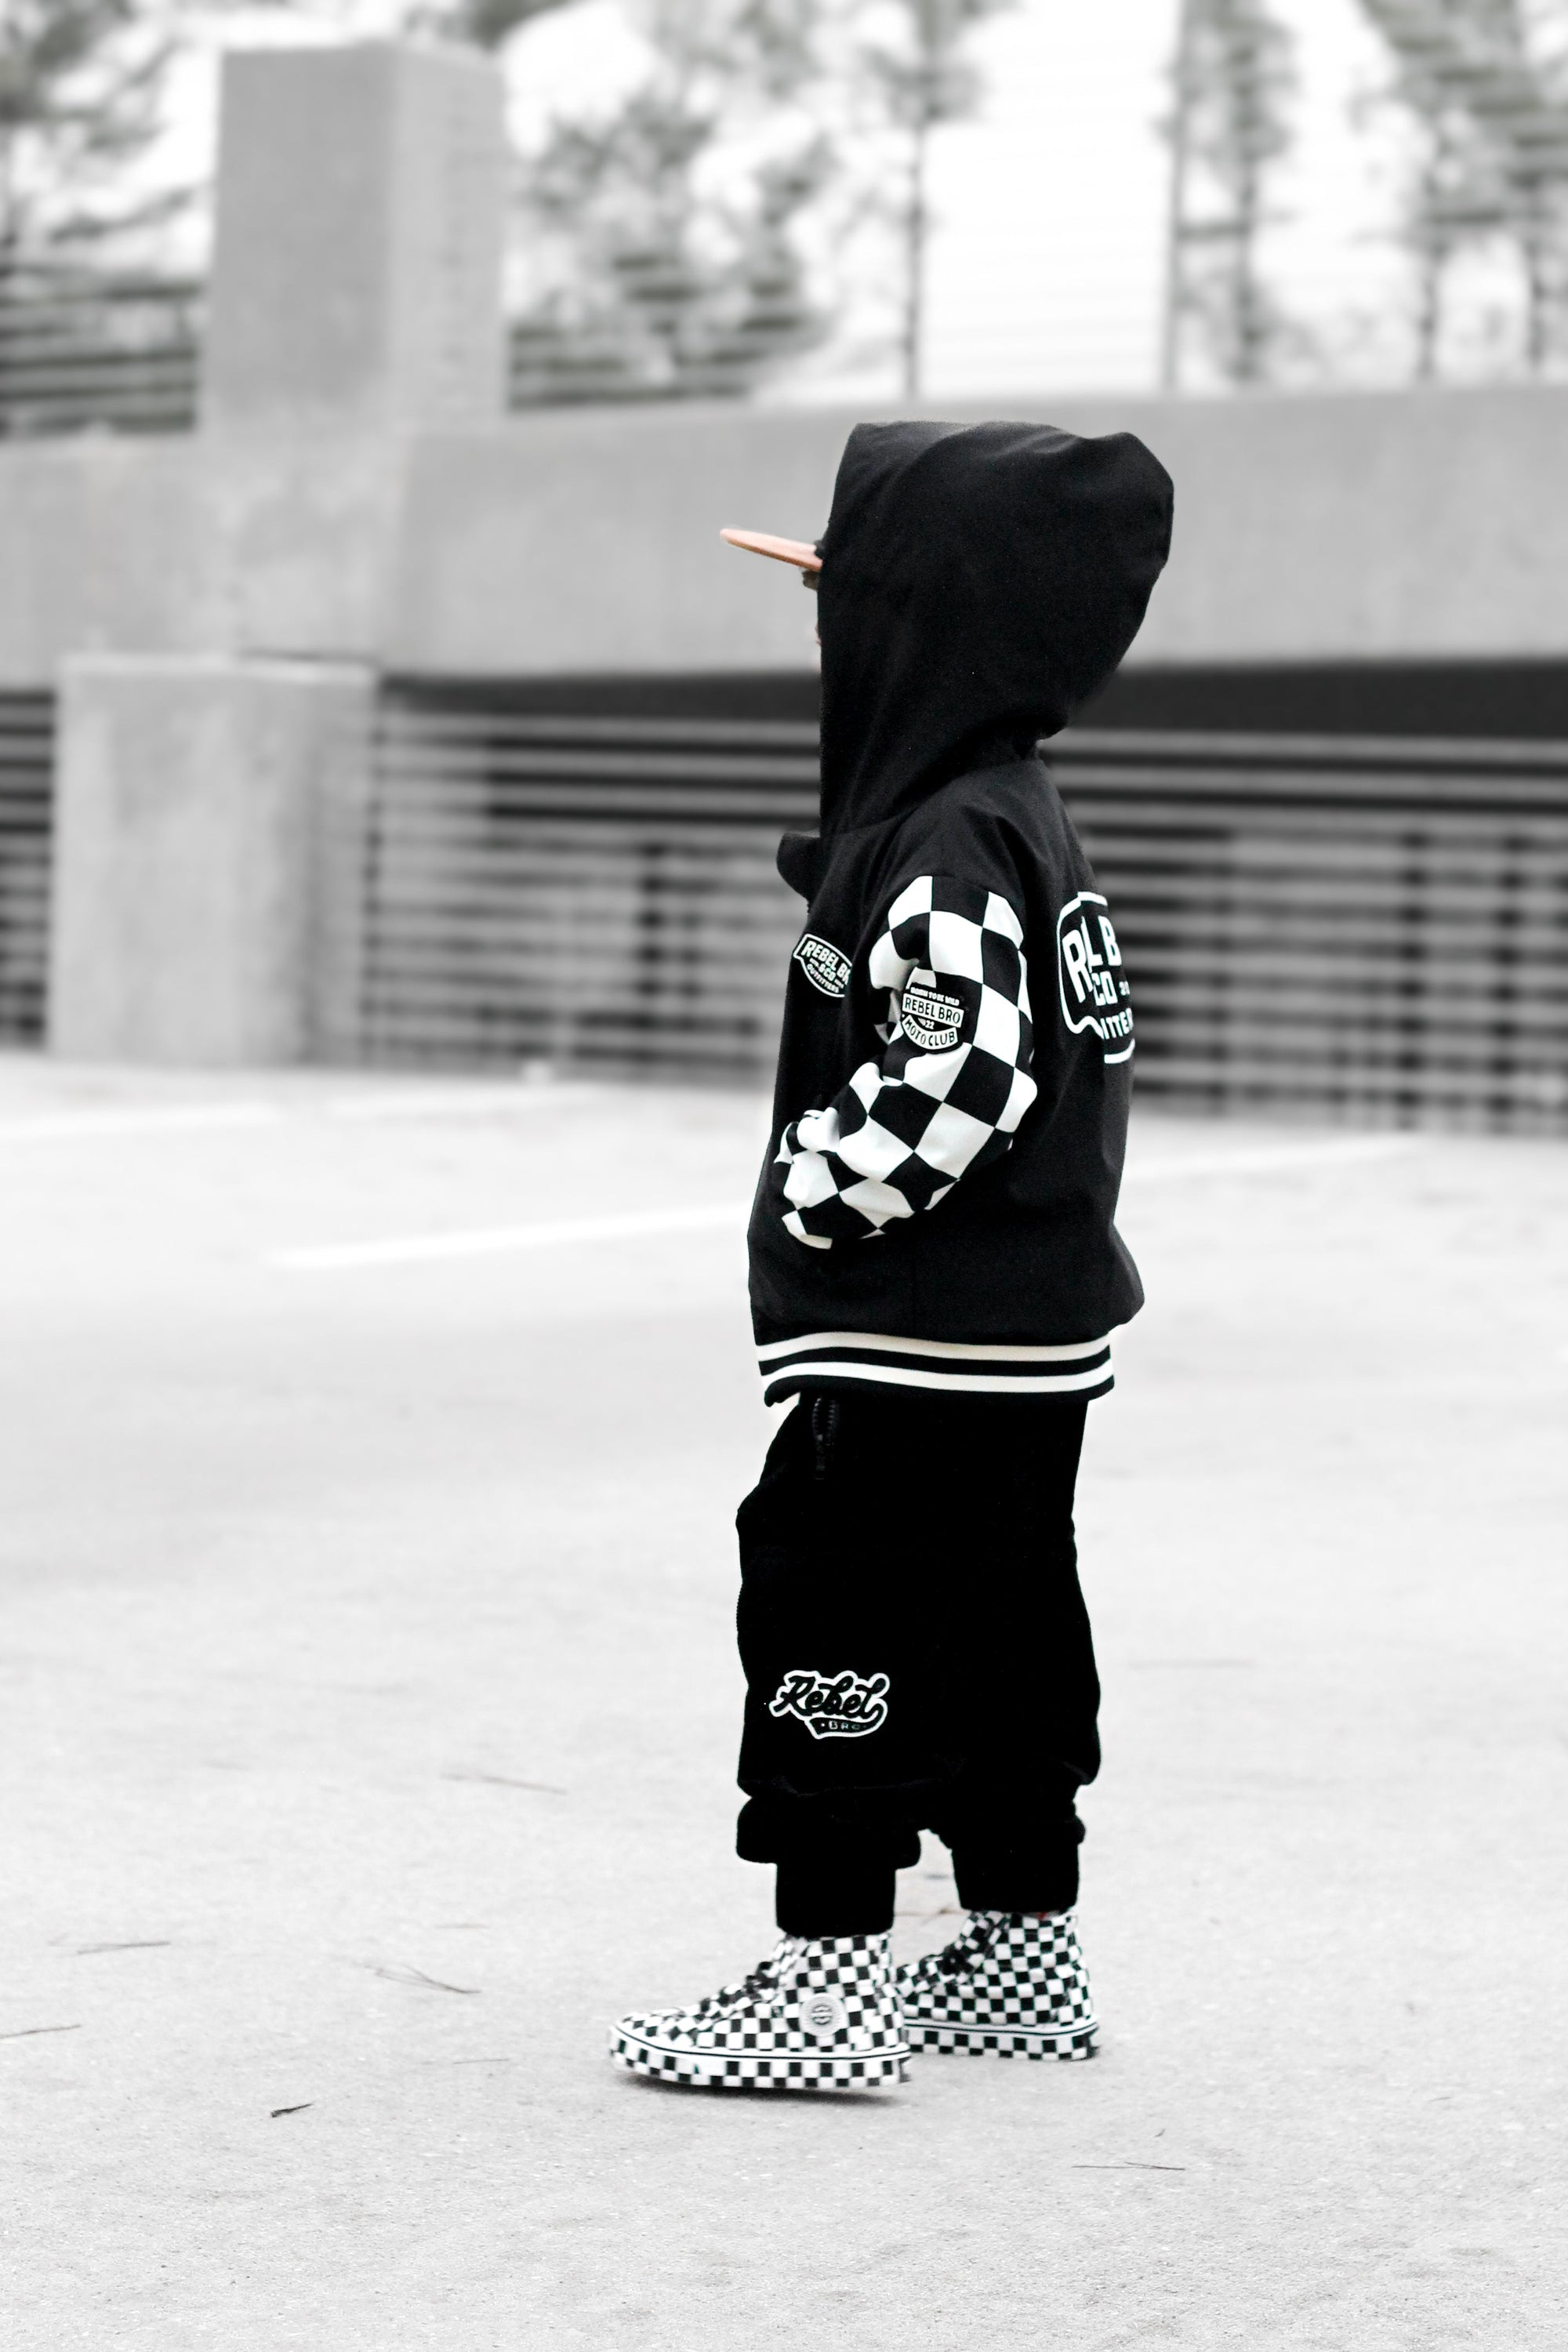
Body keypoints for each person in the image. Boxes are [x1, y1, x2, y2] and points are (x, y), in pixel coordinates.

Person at [610, 419, 1173, 2092]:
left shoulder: (944, 840)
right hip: (1021, 1334)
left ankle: (829, 1978)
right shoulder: (1012, 817)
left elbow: (958, 1079)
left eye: (838, 602)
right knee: (1003, 1623)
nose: (826, 638)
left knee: (829, 1605)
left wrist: (813, 1191)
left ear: (915, 629)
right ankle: (1021, 1952)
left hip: (918, 1333)